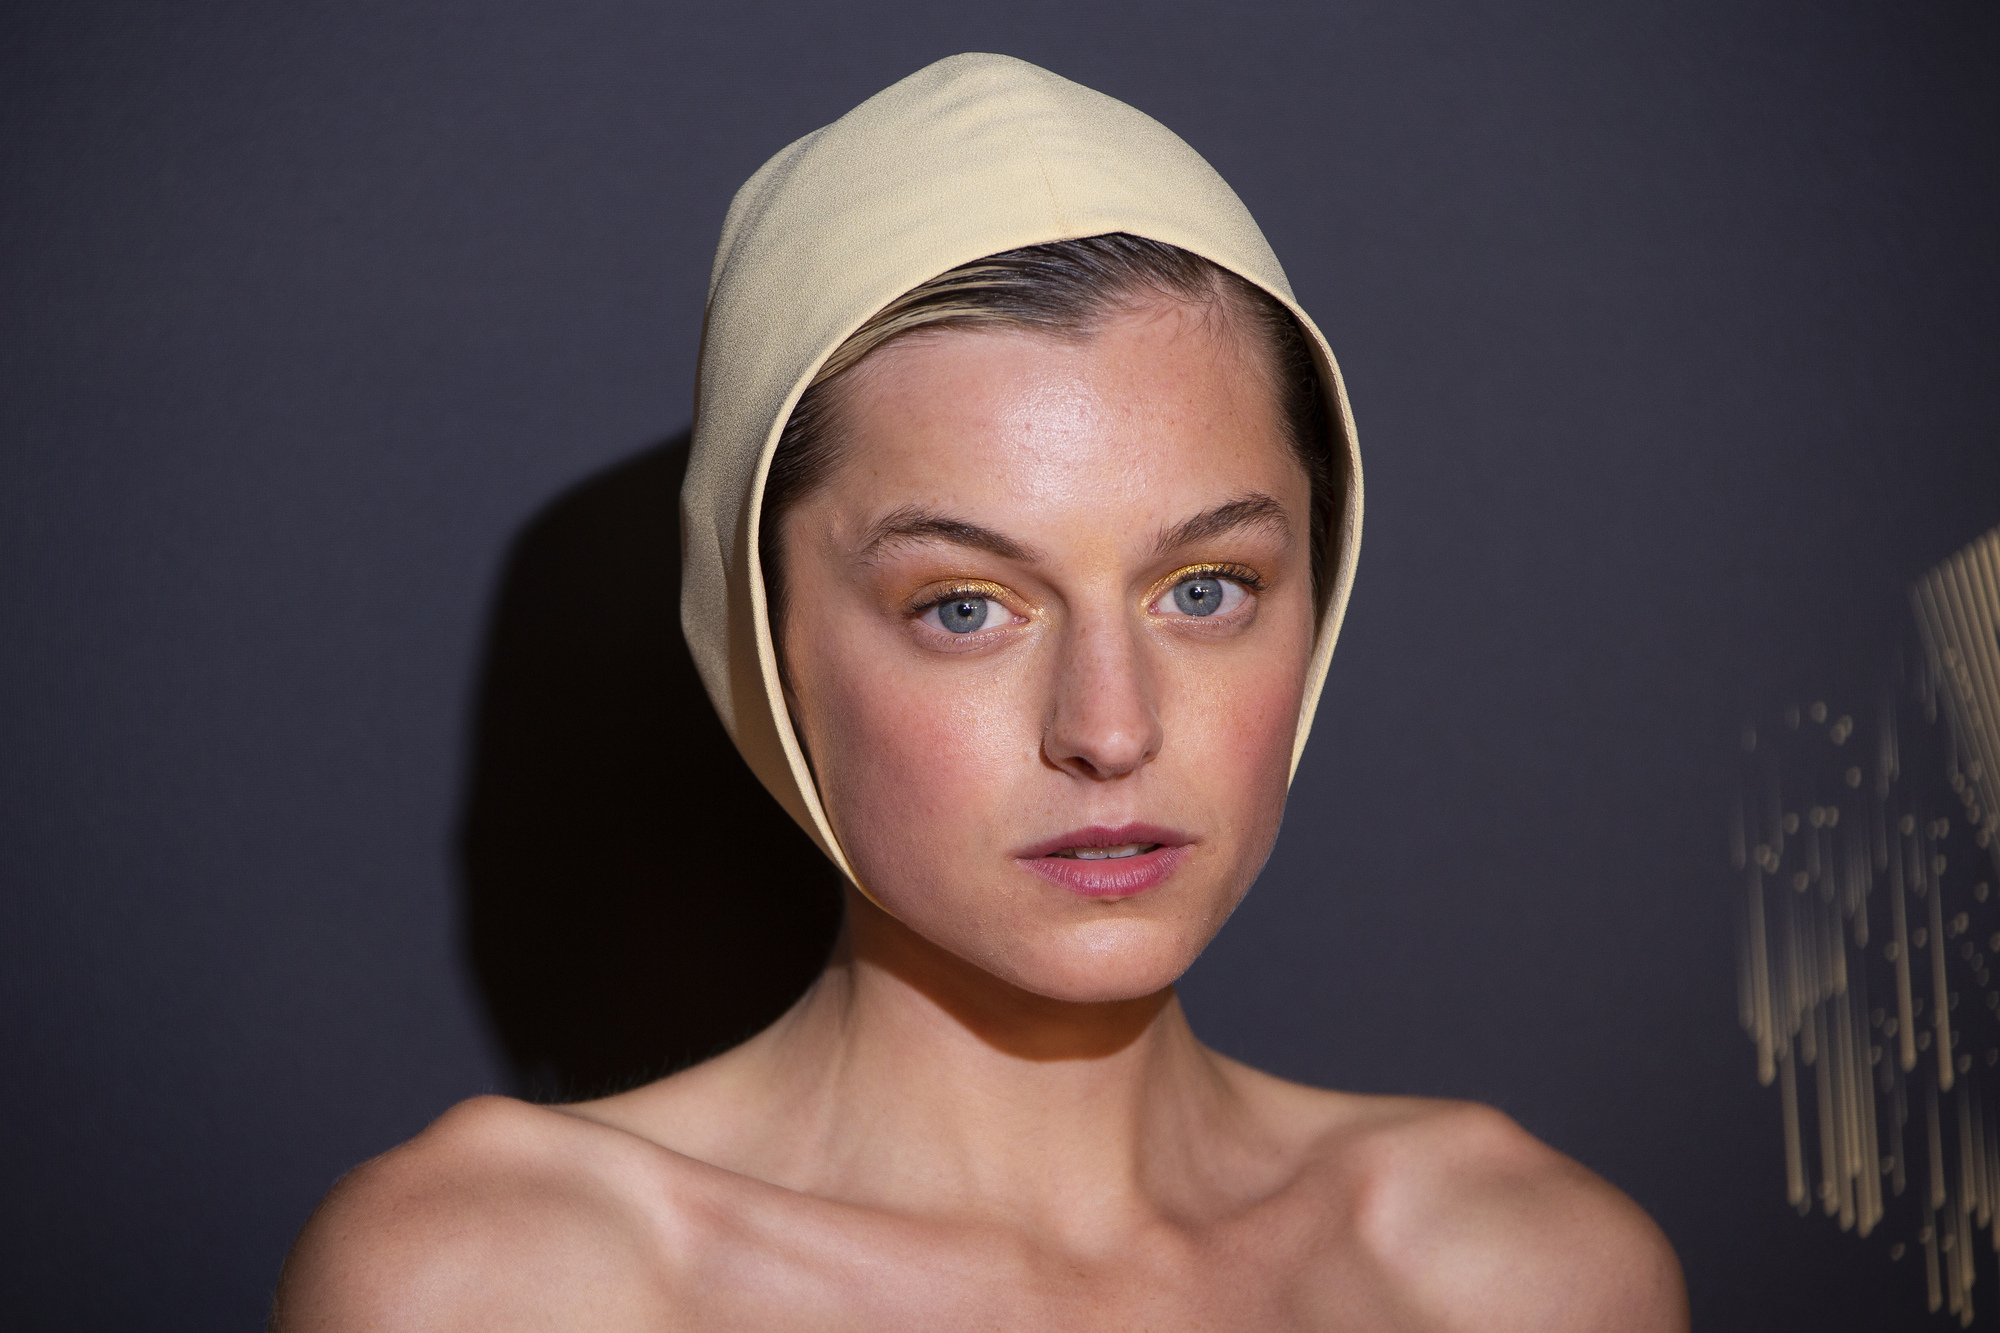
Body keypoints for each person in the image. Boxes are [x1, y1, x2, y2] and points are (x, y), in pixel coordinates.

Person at [272, 54, 1687, 1330]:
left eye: (1205, 588)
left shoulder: (1519, 1278)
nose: (1111, 730)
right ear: (764, 636)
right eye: (965, 607)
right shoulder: (500, 1287)